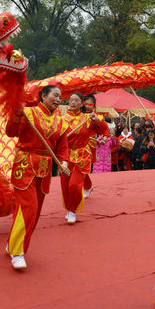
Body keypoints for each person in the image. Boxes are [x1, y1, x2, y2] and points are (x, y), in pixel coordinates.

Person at [5, 85, 70, 269]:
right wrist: (15, 116)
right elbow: (11, 132)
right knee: (28, 207)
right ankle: (18, 252)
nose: (58, 99)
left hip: (45, 168)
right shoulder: (28, 113)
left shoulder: (61, 122)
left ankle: (12, 243)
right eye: (54, 96)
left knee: (36, 211)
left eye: (60, 97)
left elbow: (63, 148)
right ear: (43, 96)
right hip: (24, 165)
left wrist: (63, 164)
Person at [61, 93, 108, 224]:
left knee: (74, 185)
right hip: (66, 156)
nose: (72, 102)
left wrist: (97, 120)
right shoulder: (62, 119)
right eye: (70, 100)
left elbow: (104, 129)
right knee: (65, 185)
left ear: (82, 104)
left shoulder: (88, 119)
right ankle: (69, 208)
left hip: (82, 155)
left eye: (76, 100)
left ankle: (72, 211)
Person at [82, 94, 109, 198]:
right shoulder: (78, 115)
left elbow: (105, 131)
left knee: (83, 168)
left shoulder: (97, 117)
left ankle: (86, 186)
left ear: (94, 105)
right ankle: (86, 186)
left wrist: (104, 138)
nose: (88, 106)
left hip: (89, 146)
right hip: (76, 145)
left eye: (90, 104)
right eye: (86, 104)